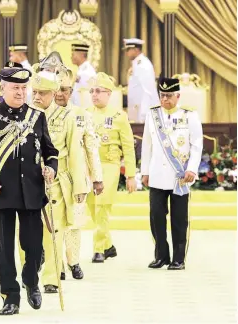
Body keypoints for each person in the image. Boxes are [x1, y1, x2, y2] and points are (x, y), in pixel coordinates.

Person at [0, 61, 59, 316]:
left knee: (33, 247)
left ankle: (31, 281)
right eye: (15, 88)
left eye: (24, 88)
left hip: (32, 191)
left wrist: (51, 168)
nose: (20, 93)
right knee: (5, 250)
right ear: (3, 88)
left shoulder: (37, 117)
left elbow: (51, 153)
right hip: (2, 191)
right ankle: (10, 296)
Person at [30, 70, 88, 294]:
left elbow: (75, 153)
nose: (36, 97)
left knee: (54, 232)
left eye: (42, 93)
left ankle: (51, 279)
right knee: (29, 232)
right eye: (34, 92)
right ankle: (30, 273)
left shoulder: (67, 117)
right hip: (30, 183)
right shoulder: (26, 116)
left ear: (54, 93)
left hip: (56, 182)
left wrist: (79, 186)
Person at [141, 77, 203, 270]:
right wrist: (144, 171)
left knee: (179, 219)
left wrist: (192, 168)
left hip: (181, 177)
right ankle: (161, 256)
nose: (165, 99)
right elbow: (146, 145)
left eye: (169, 96)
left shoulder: (190, 116)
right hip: (157, 175)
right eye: (162, 95)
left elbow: (196, 145)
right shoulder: (153, 115)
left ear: (178, 95)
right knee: (156, 218)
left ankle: (178, 258)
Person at [55, 69, 104, 280]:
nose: (59, 94)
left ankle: (73, 261)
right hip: (53, 176)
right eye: (56, 90)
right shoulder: (42, 114)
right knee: (54, 223)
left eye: (64, 90)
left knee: (74, 221)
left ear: (71, 91)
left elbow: (91, 147)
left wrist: (97, 178)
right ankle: (57, 265)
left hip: (77, 177)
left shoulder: (82, 115)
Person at [87, 72, 136, 263]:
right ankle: (109, 245)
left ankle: (99, 249)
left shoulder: (119, 116)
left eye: (99, 91)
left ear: (109, 94)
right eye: (92, 91)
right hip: (90, 166)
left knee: (102, 206)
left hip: (109, 164)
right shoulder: (86, 114)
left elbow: (129, 147)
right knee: (92, 206)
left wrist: (130, 175)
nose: (95, 95)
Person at [123, 38, 159, 123]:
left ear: (136, 50)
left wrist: (144, 113)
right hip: (137, 109)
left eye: (128, 50)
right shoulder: (137, 63)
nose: (126, 53)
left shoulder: (143, 65)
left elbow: (147, 90)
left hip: (143, 112)